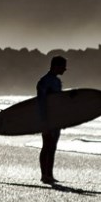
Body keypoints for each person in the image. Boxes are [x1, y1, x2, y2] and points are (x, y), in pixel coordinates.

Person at [36, 55, 67, 184]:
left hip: (56, 120)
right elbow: (41, 103)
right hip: (47, 120)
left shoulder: (57, 82)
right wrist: (43, 122)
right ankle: (44, 175)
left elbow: (58, 103)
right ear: (56, 66)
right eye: (63, 66)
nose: (65, 69)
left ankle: (50, 174)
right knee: (46, 146)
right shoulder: (44, 81)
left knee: (53, 147)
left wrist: (63, 119)